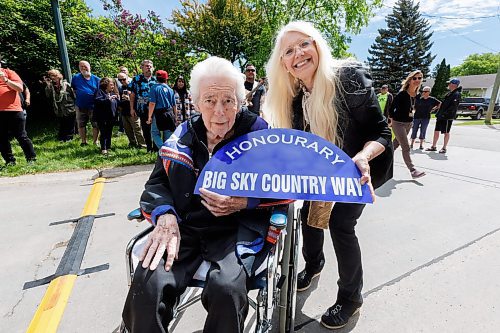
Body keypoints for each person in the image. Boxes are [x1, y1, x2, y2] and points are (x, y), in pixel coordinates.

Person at [122, 56, 282, 333]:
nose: (220, 111)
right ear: (195, 104)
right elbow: (157, 185)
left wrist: (244, 202)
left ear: (240, 101)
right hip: (185, 226)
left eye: (228, 101)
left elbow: (283, 184)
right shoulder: (182, 136)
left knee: (226, 289)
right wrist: (165, 216)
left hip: (237, 228)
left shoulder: (260, 135)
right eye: (209, 100)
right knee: (148, 283)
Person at [264, 21, 393, 330]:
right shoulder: (293, 99)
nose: (299, 54)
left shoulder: (348, 78)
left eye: (304, 44)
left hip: (355, 169)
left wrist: (362, 157)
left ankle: (351, 299)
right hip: (319, 175)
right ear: (283, 63)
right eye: (289, 51)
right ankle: (313, 265)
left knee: (340, 224)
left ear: (318, 45)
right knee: (310, 217)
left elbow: (381, 132)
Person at [388, 70, 426, 179]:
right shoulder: (402, 94)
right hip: (398, 123)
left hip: (409, 123)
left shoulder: (418, 95)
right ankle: (413, 170)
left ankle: (381, 157)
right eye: (414, 78)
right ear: (409, 80)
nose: (417, 80)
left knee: (395, 144)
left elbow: (414, 109)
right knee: (406, 146)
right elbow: (391, 108)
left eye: (419, 78)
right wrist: (391, 120)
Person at [0, 59, 37, 165]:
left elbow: (20, 88)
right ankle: (10, 161)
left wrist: (5, 80)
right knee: (2, 138)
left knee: (21, 136)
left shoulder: (9, 72)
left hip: (14, 110)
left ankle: (31, 159)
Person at [426, 78, 462, 154]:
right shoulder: (449, 93)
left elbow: (453, 107)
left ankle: (444, 148)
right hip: (440, 115)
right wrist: (437, 111)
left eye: (450, 83)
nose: (448, 85)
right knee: (436, 131)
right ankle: (433, 146)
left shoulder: (456, 94)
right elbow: (443, 104)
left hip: (447, 117)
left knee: (446, 132)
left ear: (454, 85)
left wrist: (445, 114)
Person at [129, 59, 157, 152]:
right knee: (146, 129)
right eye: (146, 66)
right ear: (142, 68)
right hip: (142, 109)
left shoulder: (156, 80)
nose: (148, 68)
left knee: (155, 129)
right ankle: (149, 148)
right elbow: (132, 95)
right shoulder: (136, 79)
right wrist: (132, 108)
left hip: (155, 109)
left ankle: (156, 148)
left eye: (150, 66)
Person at [71, 60, 100, 146]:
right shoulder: (75, 77)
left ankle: (95, 141)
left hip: (93, 106)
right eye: (81, 66)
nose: (83, 68)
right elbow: (74, 89)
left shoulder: (97, 79)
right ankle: (83, 141)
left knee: (95, 124)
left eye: (85, 66)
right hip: (80, 106)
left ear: (89, 67)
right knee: (81, 124)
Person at [147, 70, 177, 151]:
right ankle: (168, 152)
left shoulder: (154, 88)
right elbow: (174, 105)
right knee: (167, 133)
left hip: (158, 113)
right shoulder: (170, 89)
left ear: (156, 78)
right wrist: (175, 117)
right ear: (166, 79)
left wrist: (149, 117)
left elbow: (152, 103)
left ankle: (163, 149)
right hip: (169, 113)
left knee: (154, 133)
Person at [43, 69, 76, 142]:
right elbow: (48, 96)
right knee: (62, 124)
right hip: (59, 109)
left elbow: (73, 95)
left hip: (69, 108)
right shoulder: (50, 86)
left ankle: (69, 138)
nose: (53, 78)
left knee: (70, 124)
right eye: (51, 76)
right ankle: (62, 138)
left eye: (54, 76)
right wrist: (48, 86)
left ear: (58, 76)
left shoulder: (66, 84)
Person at [117, 72, 146, 148]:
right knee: (127, 130)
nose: (122, 81)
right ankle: (132, 143)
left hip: (134, 111)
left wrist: (129, 99)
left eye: (123, 79)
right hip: (124, 111)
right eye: (120, 80)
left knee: (137, 129)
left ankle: (142, 144)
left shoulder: (134, 87)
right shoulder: (120, 88)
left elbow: (141, 99)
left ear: (127, 77)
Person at [93, 78, 119, 154]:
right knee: (103, 132)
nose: (113, 86)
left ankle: (108, 147)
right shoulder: (99, 92)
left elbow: (117, 104)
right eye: (111, 85)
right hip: (102, 117)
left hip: (111, 117)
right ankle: (103, 148)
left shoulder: (112, 93)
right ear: (105, 85)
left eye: (113, 85)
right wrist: (108, 99)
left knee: (109, 132)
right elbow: (98, 101)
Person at [410, 86, 440, 150]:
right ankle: (412, 144)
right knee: (414, 129)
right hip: (417, 116)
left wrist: (434, 109)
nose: (424, 92)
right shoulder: (419, 99)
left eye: (426, 91)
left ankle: (421, 145)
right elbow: (414, 105)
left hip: (426, 117)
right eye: (423, 91)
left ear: (429, 92)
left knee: (423, 130)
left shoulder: (432, 99)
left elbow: (440, 103)